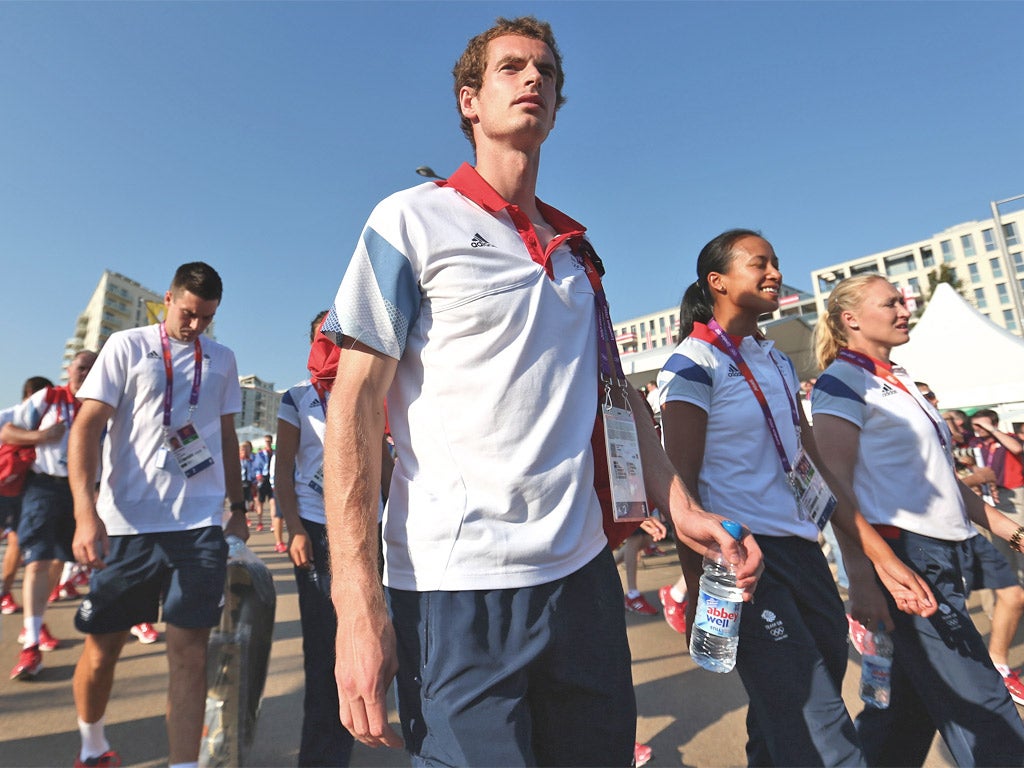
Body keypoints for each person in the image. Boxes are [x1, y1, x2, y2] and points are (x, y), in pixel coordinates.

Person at [318, 17, 762, 765]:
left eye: (547, 73)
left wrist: (680, 504)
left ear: (557, 106)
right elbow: (354, 407)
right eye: (512, 68)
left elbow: (616, 398)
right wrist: (356, 604)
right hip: (456, 589)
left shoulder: (576, 253)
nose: (533, 80)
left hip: (581, 580)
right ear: (470, 100)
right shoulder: (408, 220)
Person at [657, 230, 934, 766]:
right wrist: (698, 589)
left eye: (776, 263)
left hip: (805, 553)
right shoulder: (692, 363)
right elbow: (681, 486)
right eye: (758, 263)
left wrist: (873, 560)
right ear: (717, 282)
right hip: (744, 562)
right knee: (821, 725)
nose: (774, 273)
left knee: (783, 718)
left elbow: (816, 473)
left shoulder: (778, 361)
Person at [811, 274, 1024, 766]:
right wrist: (865, 577)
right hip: (905, 562)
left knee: (905, 711)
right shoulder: (842, 380)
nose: (905, 309)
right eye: (891, 303)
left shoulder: (901, 378)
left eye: (904, 301)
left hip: (943, 554)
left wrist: (1013, 532)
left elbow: (945, 484)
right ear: (851, 319)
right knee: (984, 701)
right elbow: (833, 490)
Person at [67, 262, 248, 768]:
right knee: (103, 649)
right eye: (189, 314)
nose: (196, 326)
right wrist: (86, 514)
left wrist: (235, 508)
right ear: (168, 298)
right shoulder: (126, 346)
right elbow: (86, 428)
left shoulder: (223, 359)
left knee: (190, 655)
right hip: (128, 524)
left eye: (207, 318)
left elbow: (228, 437)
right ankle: (92, 744)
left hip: (198, 527)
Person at [4, 352, 97, 680]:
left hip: (83, 492)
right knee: (38, 562)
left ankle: (37, 620)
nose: (85, 372)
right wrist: (40, 437)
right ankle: (30, 646)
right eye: (81, 366)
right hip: (44, 487)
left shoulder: (101, 406)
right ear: (70, 369)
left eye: (92, 367)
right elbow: (7, 431)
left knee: (60, 562)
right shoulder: (50, 398)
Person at [0, 376, 55, 616]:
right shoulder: (11, 415)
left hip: (23, 489)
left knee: (17, 542)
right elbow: (6, 434)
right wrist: (41, 437)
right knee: (16, 542)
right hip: (6, 487)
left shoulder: (44, 417)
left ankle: (4, 592)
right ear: (32, 393)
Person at [253, 434, 274, 533]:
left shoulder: (274, 453)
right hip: (263, 478)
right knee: (260, 502)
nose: (267, 443)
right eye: (266, 441)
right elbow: (256, 465)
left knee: (273, 502)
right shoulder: (261, 454)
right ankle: (259, 522)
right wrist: (258, 476)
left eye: (269, 441)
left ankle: (273, 523)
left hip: (272, 478)